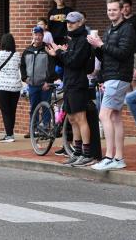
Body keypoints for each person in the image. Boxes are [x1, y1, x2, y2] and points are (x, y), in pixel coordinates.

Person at [87, 0, 135, 171]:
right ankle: (118, 158)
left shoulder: (127, 29)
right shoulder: (108, 30)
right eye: (109, 10)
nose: (111, 13)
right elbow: (106, 56)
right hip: (110, 76)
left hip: (119, 76)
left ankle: (108, 156)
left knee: (103, 115)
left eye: (114, 10)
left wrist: (101, 44)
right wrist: (96, 46)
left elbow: (123, 53)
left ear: (122, 10)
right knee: (114, 117)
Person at [46, 12, 94, 166]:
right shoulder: (72, 39)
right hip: (69, 83)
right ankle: (77, 152)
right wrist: (56, 55)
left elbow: (74, 62)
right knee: (72, 119)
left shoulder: (83, 40)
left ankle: (87, 154)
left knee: (81, 119)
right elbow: (66, 62)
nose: (69, 24)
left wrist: (60, 52)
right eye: (67, 22)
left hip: (78, 84)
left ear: (81, 22)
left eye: (72, 22)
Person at [20, 26, 56, 139]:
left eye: (40, 35)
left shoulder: (47, 49)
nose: (37, 37)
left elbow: (52, 67)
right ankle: (33, 129)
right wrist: (25, 78)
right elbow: (22, 66)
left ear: (43, 36)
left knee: (46, 107)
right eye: (35, 35)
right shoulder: (27, 51)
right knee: (34, 107)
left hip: (45, 84)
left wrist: (48, 81)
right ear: (32, 35)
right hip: (32, 85)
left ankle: (46, 129)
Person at [0, 33, 22, 143]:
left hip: (2, 86)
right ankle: (11, 133)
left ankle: (9, 135)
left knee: (5, 111)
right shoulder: (17, 55)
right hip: (15, 86)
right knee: (12, 111)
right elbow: (19, 67)